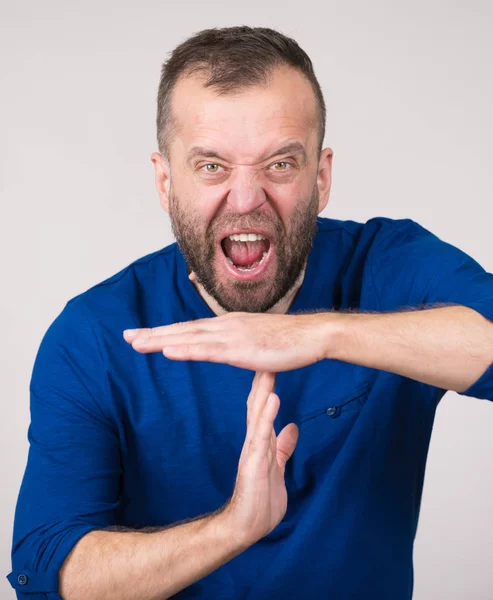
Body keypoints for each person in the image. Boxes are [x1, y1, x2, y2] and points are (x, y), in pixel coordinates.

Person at [7, 25, 493, 600]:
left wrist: (322, 334)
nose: (245, 199)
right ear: (165, 182)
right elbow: (49, 571)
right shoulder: (92, 336)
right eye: (211, 166)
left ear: (321, 175)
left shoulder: (389, 267)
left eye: (280, 164)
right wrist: (233, 527)